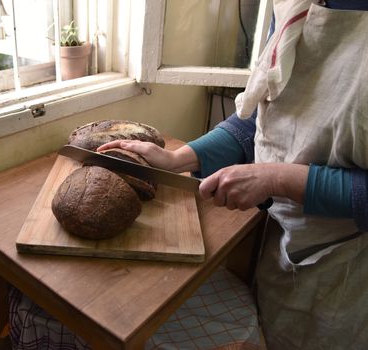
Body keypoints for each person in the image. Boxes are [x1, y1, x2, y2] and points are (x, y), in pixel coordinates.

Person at [98, 1, 368, 349]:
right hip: (280, 240)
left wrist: (275, 178)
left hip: (347, 271)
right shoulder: (293, 5)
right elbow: (262, 113)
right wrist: (178, 159)